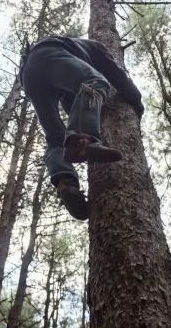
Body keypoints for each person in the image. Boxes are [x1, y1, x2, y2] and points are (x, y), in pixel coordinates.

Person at [21, 35, 144, 220]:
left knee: (56, 138)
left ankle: (66, 182)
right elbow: (116, 75)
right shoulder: (96, 47)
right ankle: (83, 142)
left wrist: (82, 122)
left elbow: (72, 104)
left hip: (29, 76)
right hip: (48, 53)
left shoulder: (70, 63)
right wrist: (136, 100)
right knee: (96, 82)